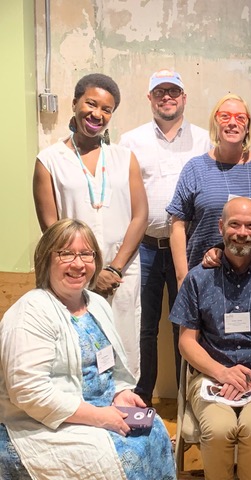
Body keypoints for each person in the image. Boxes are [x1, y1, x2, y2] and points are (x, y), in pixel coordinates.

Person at [0, 219, 175, 480]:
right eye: (66, 253)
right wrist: (99, 417)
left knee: (154, 430)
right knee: (120, 454)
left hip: (101, 409)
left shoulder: (95, 303)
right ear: (46, 259)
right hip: (43, 424)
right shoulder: (30, 313)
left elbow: (112, 365)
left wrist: (120, 392)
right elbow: (28, 392)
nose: (79, 263)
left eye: (86, 253)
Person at [170, 197, 251, 480]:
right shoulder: (198, 279)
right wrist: (222, 373)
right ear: (221, 227)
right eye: (234, 224)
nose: (242, 232)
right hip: (210, 375)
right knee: (219, 430)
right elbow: (186, 342)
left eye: (250, 226)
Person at [33, 73, 148, 379]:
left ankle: (123, 409)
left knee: (123, 344)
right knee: (77, 347)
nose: (98, 114)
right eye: (91, 104)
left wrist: (114, 269)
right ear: (75, 103)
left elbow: (140, 216)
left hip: (121, 273)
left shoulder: (125, 158)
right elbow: (51, 228)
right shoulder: (49, 160)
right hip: (73, 272)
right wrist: (88, 270)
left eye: (107, 109)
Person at [119, 69, 211, 407]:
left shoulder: (203, 140)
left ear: (184, 98)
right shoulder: (131, 140)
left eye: (174, 91)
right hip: (143, 248)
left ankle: (189, 399)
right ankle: (142, 395)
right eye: (160, 92)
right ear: (150, 98)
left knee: (185, 325)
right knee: (143, 325)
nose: (167, 97)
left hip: (188, 250)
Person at [167, 93, 251, 289]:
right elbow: (178, 225)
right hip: (205, 274)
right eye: (225, 116)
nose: (232, 122)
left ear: (247, 126)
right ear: (215, 123)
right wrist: (182, 277)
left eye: (240, 117)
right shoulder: (196, 168)